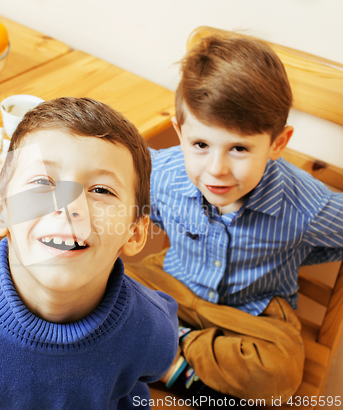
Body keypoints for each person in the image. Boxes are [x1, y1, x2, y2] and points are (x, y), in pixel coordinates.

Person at [0, 97, 180, 410]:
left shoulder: (153, 331)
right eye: (42, 182)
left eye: (101, 190)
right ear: (0, 211)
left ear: (134, 233)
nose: (68, 207)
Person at [124, 34, 343, 403]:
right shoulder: (163, 174)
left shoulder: (303, 203)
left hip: (252, 313)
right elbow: (123, 178)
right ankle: (181, 365)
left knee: (280, 373)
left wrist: (299, 247)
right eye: (200, 145)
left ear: (277, 143)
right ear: (180, 133)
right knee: (97, 284)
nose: (216, 169)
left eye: (239, 148)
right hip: (172, 284)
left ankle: (166, 352)